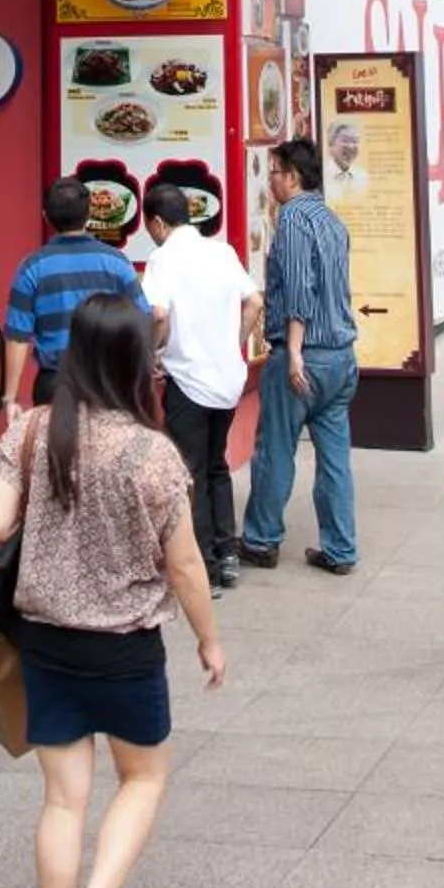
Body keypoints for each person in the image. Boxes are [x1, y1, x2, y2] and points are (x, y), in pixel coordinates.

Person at [0, 293, 223, 888]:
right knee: (143, 779)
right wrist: (210, 642)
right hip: (124, 647)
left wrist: (39, 496)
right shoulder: (152, 455)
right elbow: (184, 566)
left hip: (45, 642)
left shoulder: (30, 431)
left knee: (62, 801)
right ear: (138, 362)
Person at [237, 137, 359, 573]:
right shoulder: (331, 220)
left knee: (274, 449)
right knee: (335, 458)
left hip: (304, 355)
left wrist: (292, 352)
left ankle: (261, 539)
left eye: (273, 171)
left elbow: (301, 289)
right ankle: (341, 548)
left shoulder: (291, 220)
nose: (269, 180)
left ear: (291, 176)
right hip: (342, 355)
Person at [142, 180, 260, 593]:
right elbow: (255, 302)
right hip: (227, 381)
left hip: (188, 382)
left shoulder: (162, 260)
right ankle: (227, 554)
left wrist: (152, 354)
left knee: (189, 472)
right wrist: (234, 343)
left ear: (156, 223)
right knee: (216, 464)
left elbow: (157, 314)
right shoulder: (222, 250)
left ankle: (205, 566)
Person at [3, 176, 146, 413]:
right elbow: (142, 320)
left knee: (59, 450)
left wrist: (10, 398)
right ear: (89, 215)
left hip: (54, 385)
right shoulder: (116, 262)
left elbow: (18, 337)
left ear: (46, 217)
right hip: (108, 383)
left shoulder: (31, 267)